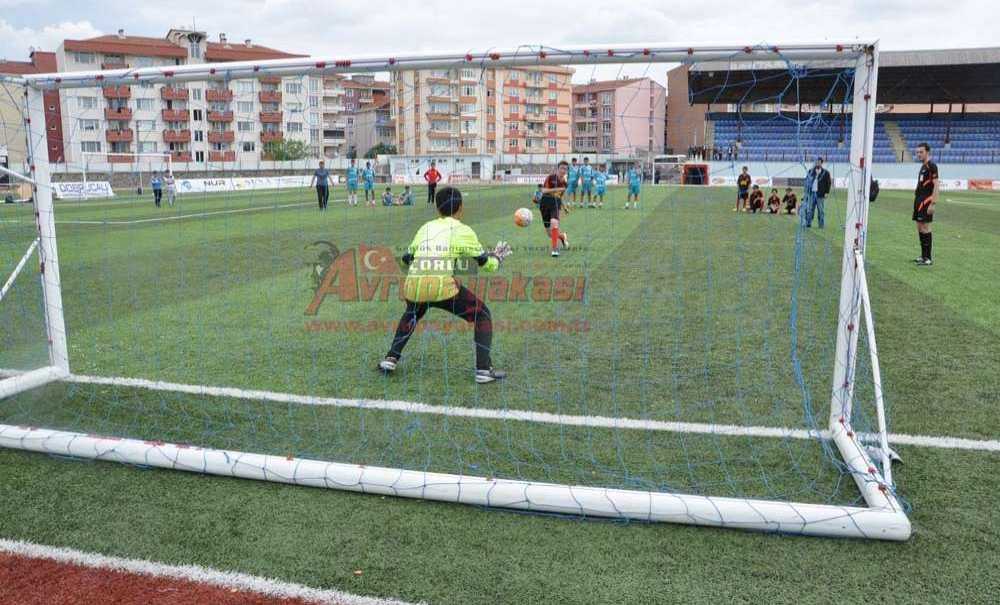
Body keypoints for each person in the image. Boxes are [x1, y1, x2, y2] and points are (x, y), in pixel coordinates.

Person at [379, 186, 511, 383]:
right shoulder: (463, 230)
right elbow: (486, 265)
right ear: (460, 208)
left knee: (413, 312)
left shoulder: (426, 227)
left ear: (437, 208)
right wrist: (497, 258)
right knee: (482, 314)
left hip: (413, 283)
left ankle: (391, 358)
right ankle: (483, 370)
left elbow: (407, 258)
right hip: (441, 285)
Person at [912, 142, 938, 266]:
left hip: (926, 201)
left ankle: (928, 258)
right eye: (917, 152)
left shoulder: (932, 166)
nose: (919, 154)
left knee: (926, 227)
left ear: (927, 152)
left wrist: (933, 203)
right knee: (919, 227)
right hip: (919, 199)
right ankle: (923, 256)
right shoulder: (923, 166)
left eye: (921, 152)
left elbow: (936, 185)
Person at [540, 161, 570, 257]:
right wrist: (558, 189)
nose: (563, 170)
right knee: (550, 234)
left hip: (556, 204)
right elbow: (544, 191)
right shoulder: (550, 178)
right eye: (562, 168)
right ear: (558, 169)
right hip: (545, 203)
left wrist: (564, 207)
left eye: (565, 169)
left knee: (554, 223)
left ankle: (555, 249)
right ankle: (562, 236)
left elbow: (560, 196)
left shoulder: (565, 183)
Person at [801, 157, 831, 228]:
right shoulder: (810, 171)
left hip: (820, 194)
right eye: (816, 162)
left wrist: (827, 192)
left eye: (819, 162)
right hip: (811, 194)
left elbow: (828, 183)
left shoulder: (826, 173)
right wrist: (806, 192)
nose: (817, 163)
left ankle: (821, 224)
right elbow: (806, 182)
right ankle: (808, 223)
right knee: (810, 210)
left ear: (821, 163)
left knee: (821, 210)